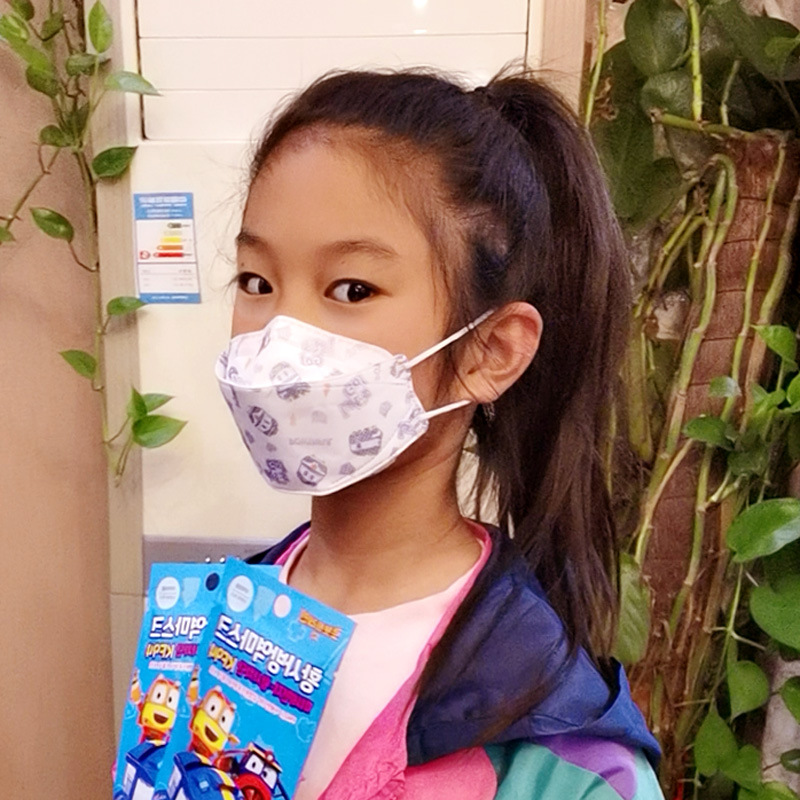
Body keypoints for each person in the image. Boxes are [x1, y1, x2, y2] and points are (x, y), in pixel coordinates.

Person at [215, 66, 664, 800]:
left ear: (490, 351)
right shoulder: (209, 630)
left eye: (351, 289)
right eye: (256, 281)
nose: (279, 334)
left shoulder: (564, 751)